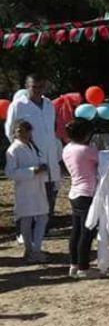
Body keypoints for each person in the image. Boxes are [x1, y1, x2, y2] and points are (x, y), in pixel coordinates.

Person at [4, 74, 62, 227]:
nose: (37, 90)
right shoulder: (18, 105)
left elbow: (50, 130)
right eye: (34, 87)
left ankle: (43, 229)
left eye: (41, 87)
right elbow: (10, 130)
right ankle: (23, 230)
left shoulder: (49, 104)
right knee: (28, 197)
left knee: (49, 193)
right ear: (27, 86)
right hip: (30, 158)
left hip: (50, 157)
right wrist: (24, 150)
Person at [5, 120, 50, 264]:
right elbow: (10, 172)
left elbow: (40, 160)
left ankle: (35, 248)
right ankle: (29, 249)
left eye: (25, 131)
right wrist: (32, 171)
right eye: (19, 131)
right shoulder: (13, 150)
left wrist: (42, 167)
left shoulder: (32, 146)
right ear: (14, 132)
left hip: (38, 187)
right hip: (24, 188)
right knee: (26, 218)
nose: (22, 134)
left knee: (42, 216)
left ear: (30, 132)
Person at [61, 118, 101, 278]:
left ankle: (74, 264)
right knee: (87, 231)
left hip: (75, 192)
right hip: (86, 194)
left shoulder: (68, 148)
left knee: (76, 231)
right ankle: (84, 267)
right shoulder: (86, 150)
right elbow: (103, 159)